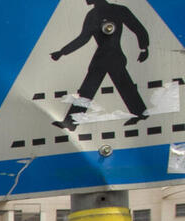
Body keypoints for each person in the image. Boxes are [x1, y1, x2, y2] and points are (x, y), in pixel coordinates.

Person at [50, 0, 151, 129]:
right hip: (103, 57)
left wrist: (144, 48)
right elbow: (83, 38)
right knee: (102, 88)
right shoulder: (92, 15)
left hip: (112, 56)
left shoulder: (117, 10)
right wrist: (62, 52)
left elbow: (137, 28)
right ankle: (141, 113)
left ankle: (140, 114)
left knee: (117, 87)